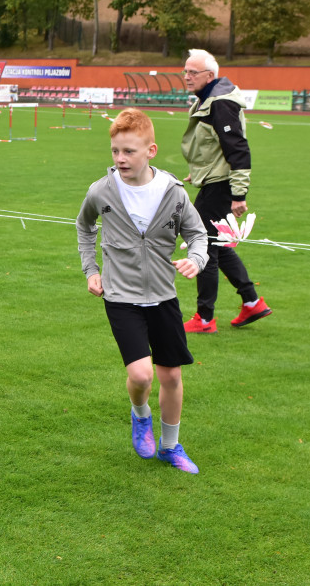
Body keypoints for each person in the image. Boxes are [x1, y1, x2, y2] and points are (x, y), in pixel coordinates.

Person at [77, 108, 208, 474]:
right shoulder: (101, 191)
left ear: (150, 150)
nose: (120, 159)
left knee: (170, 376)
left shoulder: (173, 192)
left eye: (129, 151)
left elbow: (197, 234)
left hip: (164, 297)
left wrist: (195, 260)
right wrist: (91, 270)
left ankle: (170, 447)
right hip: (121, 298)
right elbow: (84, 229)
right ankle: (140, 415)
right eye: (115, 151)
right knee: (141, 376)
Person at [180, 48, 272, 333]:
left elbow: (238, 148)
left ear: (210, 75)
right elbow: (213, 147)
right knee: (217, 244)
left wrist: (239, 194)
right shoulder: (209, 100)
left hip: (221, 186)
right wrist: (200, 171)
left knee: (203, 244)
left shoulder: (220, 103)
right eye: (185, 71)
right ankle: (251, 301)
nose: (186, 77)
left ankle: (205, 318)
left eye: (192, 72)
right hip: (214, 181)